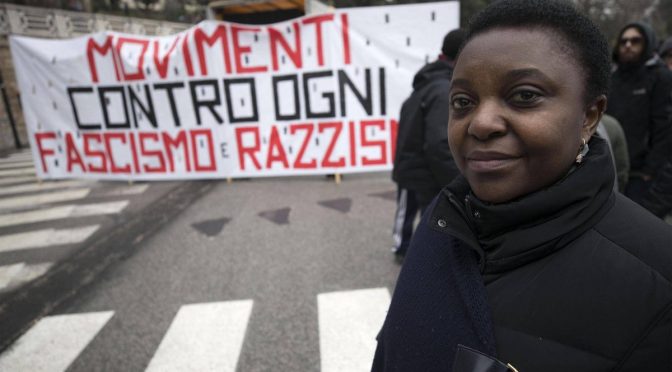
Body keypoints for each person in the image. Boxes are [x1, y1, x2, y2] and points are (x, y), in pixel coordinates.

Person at [373, 1, 672, 371]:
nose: (481, 124)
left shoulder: (658, 281)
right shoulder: (443, 217)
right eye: (463, 101)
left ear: (589, 116)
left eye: (525, 96)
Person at [391, 29, 465, 261]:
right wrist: (454, 179)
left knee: (409, 212)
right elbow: (439, 142)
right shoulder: (443, 90)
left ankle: (403, 249)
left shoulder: (425, 86)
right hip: (426, 169)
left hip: (411, 164)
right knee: (428, 218)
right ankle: (413, 255)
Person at [606, 22, 672, 204]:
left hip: (641, 172)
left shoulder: (660, 76)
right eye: (624, 41)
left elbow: (664, 127)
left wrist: (650, 170)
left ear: (647, 43)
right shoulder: (611, 78)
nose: (628, 45)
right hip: (611, 165)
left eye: (636, 41)